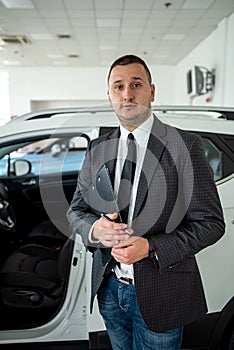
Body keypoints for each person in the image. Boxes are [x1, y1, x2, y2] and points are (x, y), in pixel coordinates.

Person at [67, 55, 225, 350]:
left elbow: (212, 224)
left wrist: (150, 247)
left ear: (151, 91)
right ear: (110, 96)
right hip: (110, 288)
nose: (127, 94)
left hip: (162, 290)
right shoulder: (98, 148)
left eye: (136, 84)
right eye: (118, 86)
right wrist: (95, 230)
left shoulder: (185, 147)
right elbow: (76, 211)